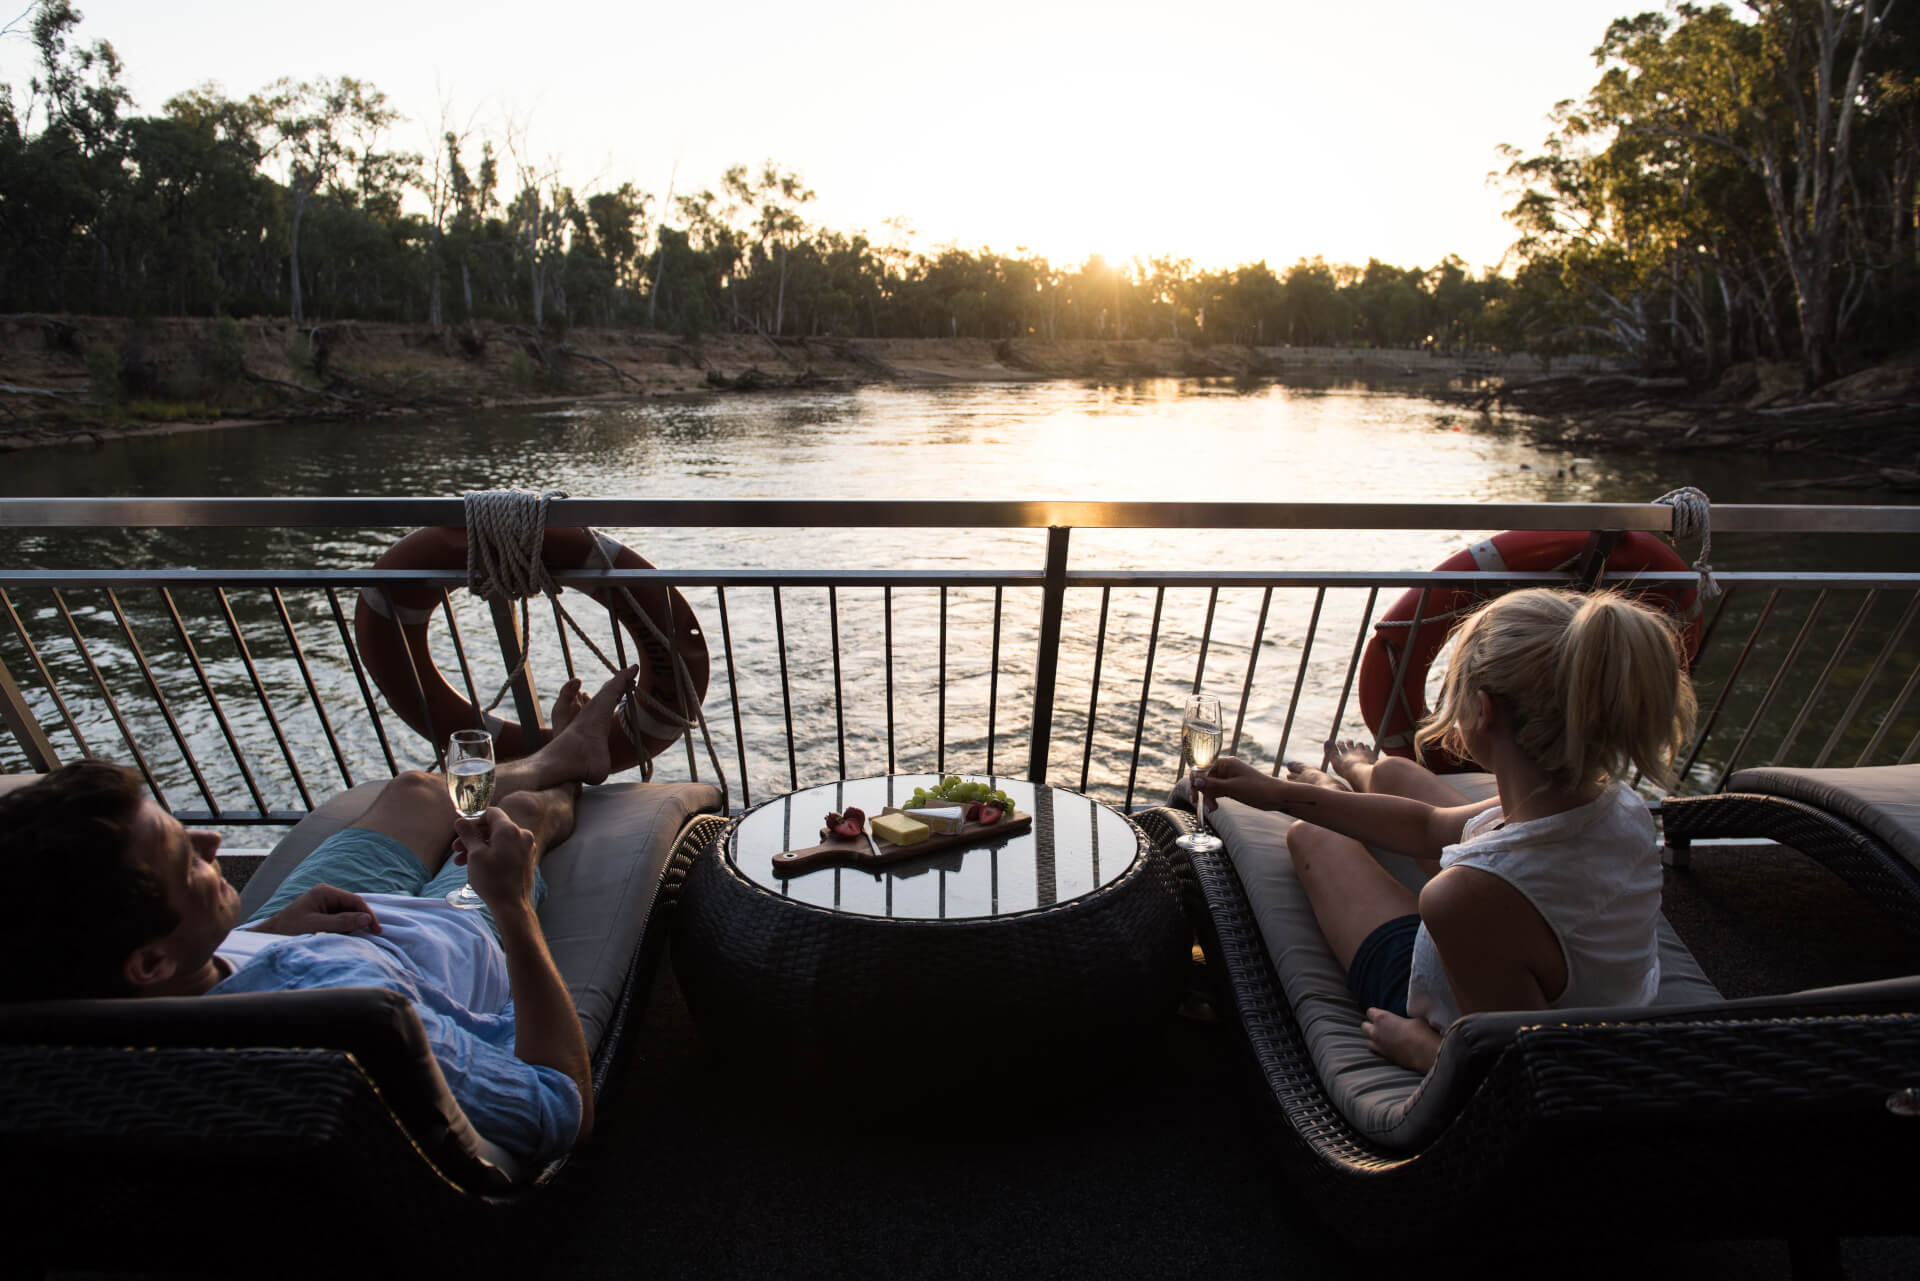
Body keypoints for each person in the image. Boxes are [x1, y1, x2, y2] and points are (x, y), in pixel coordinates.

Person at [0, 665, 642, 1166]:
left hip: (285, 935)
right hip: (425, 951)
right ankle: (570, 774)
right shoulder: (355, 1020)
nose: (212, 845)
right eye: (186, 862)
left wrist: (266, 934)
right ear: (148, 960)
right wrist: (509, 904)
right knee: (523, 818)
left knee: (416, 792)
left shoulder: (66, 1005)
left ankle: (560, 751)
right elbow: (558, 1107)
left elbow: (183, 983)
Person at [1195, 588, 1697, 1075]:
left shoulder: (1462, 898)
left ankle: (1345, 782)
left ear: (1484, 709)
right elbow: (1429, 827)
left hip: (1448, 1008)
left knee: (1313, 837)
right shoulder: (1619, 804)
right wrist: (1274, 793)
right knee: (1394, 777)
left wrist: (1428, 1051)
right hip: (1594, 990)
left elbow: (1523, 1073)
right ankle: (1358, 776)